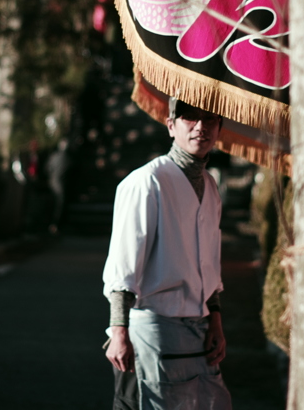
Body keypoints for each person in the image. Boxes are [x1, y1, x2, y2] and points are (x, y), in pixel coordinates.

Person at [102, 98, 233, 410]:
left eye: (210, 119)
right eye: (189, 117)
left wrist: (215, 318)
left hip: (199, 328)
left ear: (219, 128)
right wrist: (119, 331)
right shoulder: (147, 182)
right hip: (157, 327)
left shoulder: (211, 186)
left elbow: (209, 261)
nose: (201, 127)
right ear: (171, 125)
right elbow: (124, 263)